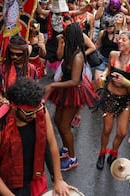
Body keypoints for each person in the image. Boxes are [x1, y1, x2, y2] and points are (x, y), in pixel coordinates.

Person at [0, 78, 74, 196]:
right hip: (7, 187)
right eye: (29, 113)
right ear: (15, 107)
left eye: (37, 110)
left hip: (34, 181)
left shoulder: (40, 111)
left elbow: (51, 143)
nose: (36, 116)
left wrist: (58, 179)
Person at [45, 23, 98, 171]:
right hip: (65, 89)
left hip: (72, 91)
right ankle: (67, 149)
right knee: (57, 120)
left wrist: (53, 86)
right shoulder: (69, 49)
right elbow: (59, 56)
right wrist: (61, 42)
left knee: (64, 125)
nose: (63, 35)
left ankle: (72, 159)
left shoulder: (78, 57)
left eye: (65, 35)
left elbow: (75, 81)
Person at [96, 31, 130, 169]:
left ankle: (114, 152)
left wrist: (125, 82)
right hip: (110, 97)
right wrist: (104, 75)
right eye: (119, 39)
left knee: (122, 132)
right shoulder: (113, 54)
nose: (120, 42)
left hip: (126, 99)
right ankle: (102, 153)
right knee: (107, 129)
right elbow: (108, 70)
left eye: (124, 40)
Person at [0, 35, 37, 100]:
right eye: (11, 53)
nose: (14, 56)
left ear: (25, 54)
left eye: (19, 54)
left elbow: (33, 91)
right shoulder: (1, 67)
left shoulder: (32, 69)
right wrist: (2, 100)